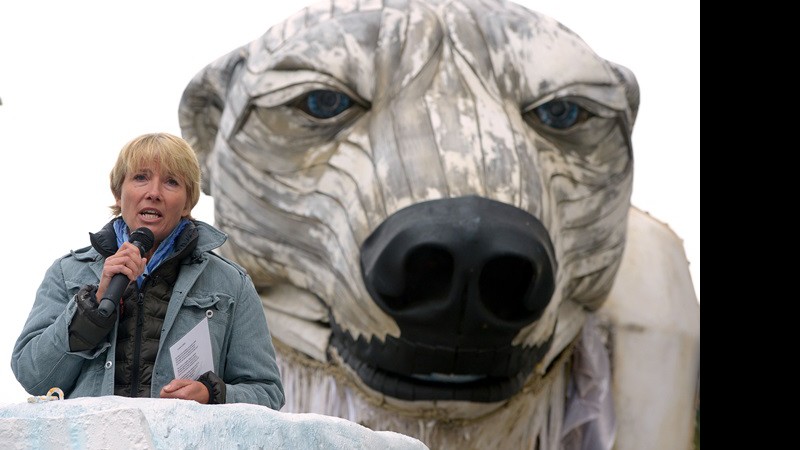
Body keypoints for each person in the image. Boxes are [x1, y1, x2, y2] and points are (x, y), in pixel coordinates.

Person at [11, 132, 285, 408]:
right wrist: (91, 309)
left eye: (171, 182)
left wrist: (212, 395)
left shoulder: (231, 283)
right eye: (140, 177)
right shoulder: (67, 272)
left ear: (188, 203)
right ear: (118, 193)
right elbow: (34, 378)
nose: (153, 193)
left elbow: (267, 393)